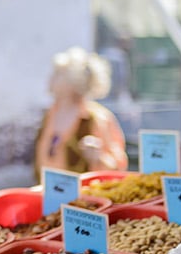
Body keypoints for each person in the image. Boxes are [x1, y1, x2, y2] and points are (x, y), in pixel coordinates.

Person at [33, 46, 127, 180]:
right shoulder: (50, 114)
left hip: (83, 198)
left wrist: (98, 157)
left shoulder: (96, 119)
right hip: (48, 195)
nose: (51, 79)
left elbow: (118, 167)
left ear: (73, 81)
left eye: (58, 74)